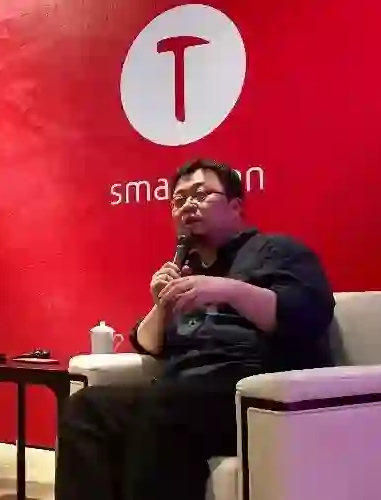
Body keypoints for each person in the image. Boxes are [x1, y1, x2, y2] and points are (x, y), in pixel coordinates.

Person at [55, 159, 336, 500]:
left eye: (201, 195)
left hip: (249, 388)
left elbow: (308, 314)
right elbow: (148, 344)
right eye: (179, 199)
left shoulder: (277, 251)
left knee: (163, 409)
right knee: (85, 407)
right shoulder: (187, 270)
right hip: (185, 391)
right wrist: (161, 304)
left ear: (235, 206)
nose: (188, 205)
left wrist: (230, 290)